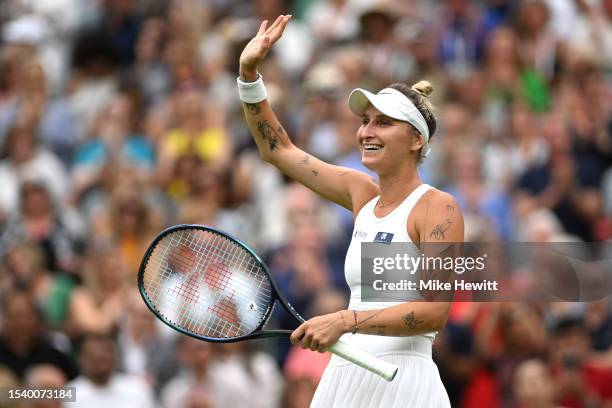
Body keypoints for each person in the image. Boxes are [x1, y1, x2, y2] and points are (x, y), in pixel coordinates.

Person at [237, 15, 463, 408]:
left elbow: (435, 312)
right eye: (365, 121)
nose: (366, 132)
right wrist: (249, 74)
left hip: (405, 379)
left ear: (415, 140)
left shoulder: (437, 206)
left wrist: (344, 320)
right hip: (347, 374)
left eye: (383, 123)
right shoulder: (361, 193)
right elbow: (278, 150)